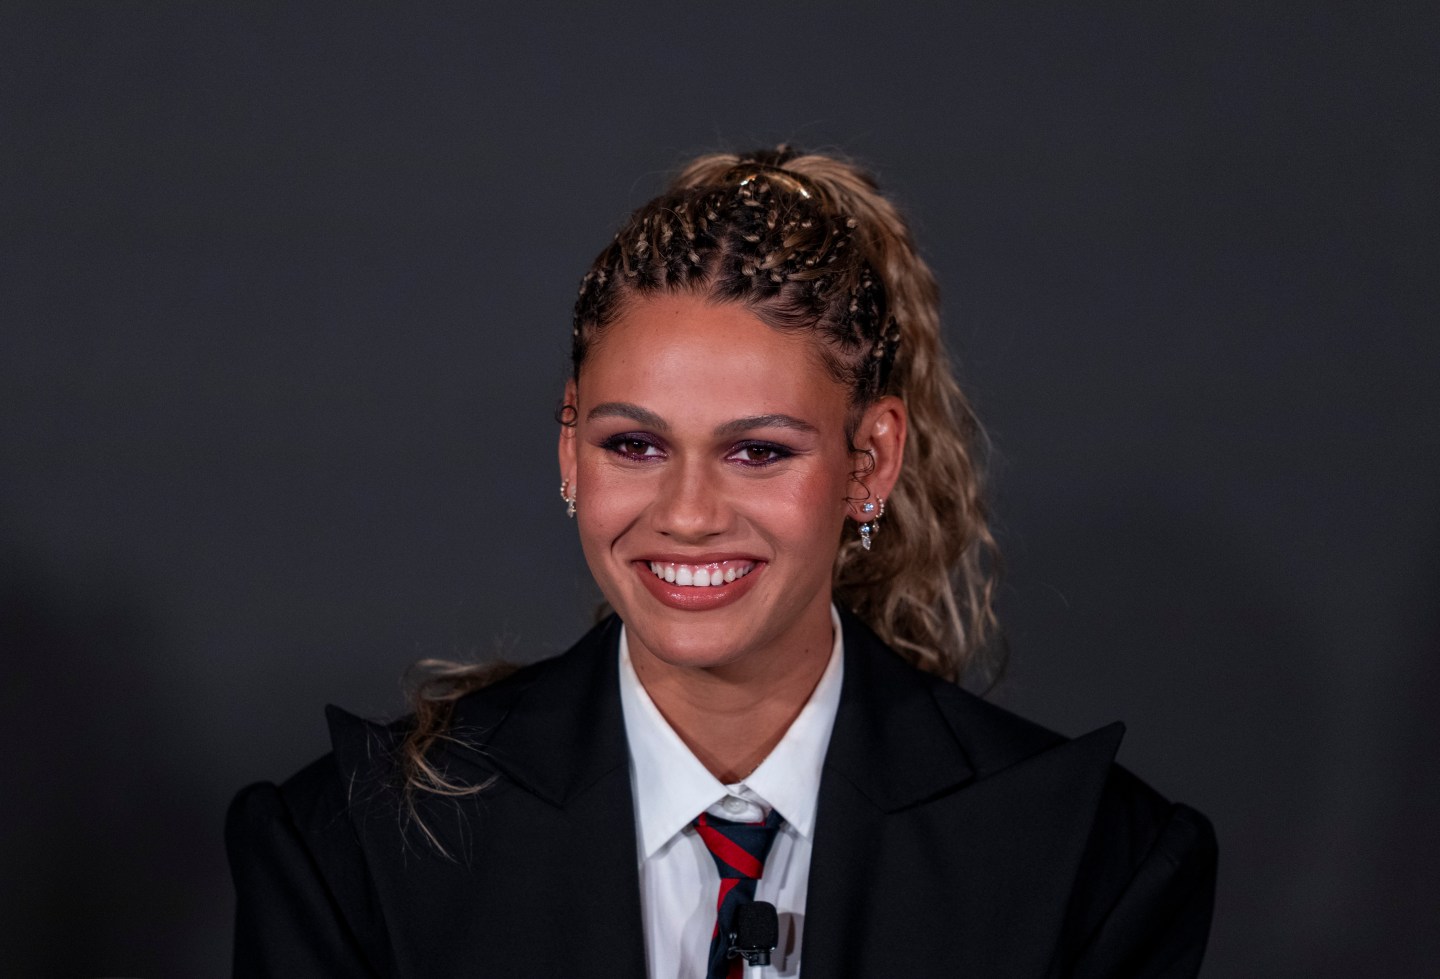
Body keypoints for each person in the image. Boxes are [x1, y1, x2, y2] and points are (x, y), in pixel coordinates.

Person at [226, 146, 1217, 978]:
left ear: (869, 460)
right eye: (636, 445)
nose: (688, 514)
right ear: (571, 449)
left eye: (759, 451)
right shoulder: (352, 851)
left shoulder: (1088, 864)